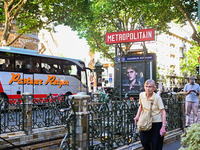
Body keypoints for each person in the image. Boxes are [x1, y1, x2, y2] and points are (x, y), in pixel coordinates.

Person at [134, 79, 166, 150]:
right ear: (144, 87)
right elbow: (141, 106)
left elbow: (163, 112)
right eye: (146, 86)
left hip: (156, 123)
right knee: (144, 141)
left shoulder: (157, 98)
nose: (148, 88)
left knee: (156, 144)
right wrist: (137, 116)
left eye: (150, 87)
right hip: (145, 122)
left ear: (154, 88)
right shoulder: (141, 95)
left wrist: (163, 126)